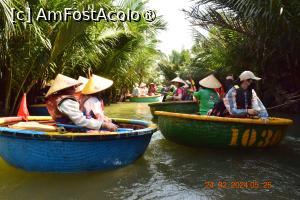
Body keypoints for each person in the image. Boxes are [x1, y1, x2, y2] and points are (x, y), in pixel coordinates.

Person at [45, 74, 117, 131]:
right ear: (65, 89)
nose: (75, 88)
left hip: (64, 126)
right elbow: (80, 120)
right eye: (73, 87)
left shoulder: (56, 98)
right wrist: (102, 125)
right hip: (70, 129)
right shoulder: (67, 101)